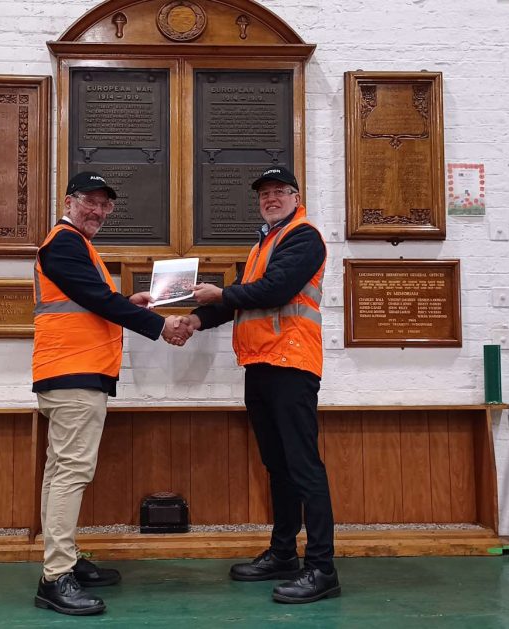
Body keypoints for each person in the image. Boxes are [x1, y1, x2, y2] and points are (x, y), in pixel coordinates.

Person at [32, 171, 192, 616]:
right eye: (91, 202)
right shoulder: (64, 243)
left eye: (106, 205)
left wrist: (130, 301)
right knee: (71, 473)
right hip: (72, 373)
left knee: (59, 472)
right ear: (69, 201)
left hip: (74, 372)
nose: (98, 211)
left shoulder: (76, 246)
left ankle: (64, 560)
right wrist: (160, 325)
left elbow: (93, 300)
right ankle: (56, 577)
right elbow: (97, 301)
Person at [187, 166, 340, 604]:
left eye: (278, 191)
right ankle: (283, 554)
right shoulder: (263, 244)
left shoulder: (304, 236)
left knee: (304, 467)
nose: (270, 198)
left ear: (296, 196)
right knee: (278, 465)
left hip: (291, 363)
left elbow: (275, 290)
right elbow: (241, 296)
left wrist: (217, 297)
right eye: (264, 194)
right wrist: (195, 320)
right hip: (261, 363)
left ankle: (322, 568)